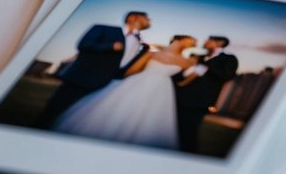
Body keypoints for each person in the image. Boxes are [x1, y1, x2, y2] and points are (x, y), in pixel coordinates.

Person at [52, 35, 198, 150]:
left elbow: (189, 78)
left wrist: (180, 83)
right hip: (139, 83)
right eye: (190, 40)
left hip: (162, 89)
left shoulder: (189, 62)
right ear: (179, 39)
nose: (193, 43)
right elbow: (132, 70)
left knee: (151, 117)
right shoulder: (152, 53)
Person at [37, 11, 152, 128]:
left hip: (107, 86)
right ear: (132, 18)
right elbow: (83, 45)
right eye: (146, 18)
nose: (149, 20)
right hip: (81, 80)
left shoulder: (142, 44)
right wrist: (111, 46)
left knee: (80, 120)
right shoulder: (104, 28)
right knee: (54, 112)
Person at [173, 35, 239, 154]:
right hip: (180, 97)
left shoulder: (229, 59)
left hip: (201, 101)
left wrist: (207, 67)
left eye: (208, 41)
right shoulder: (199, 56)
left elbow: (227, 75)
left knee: (190, 131)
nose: (205, 42)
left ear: (220, 42)